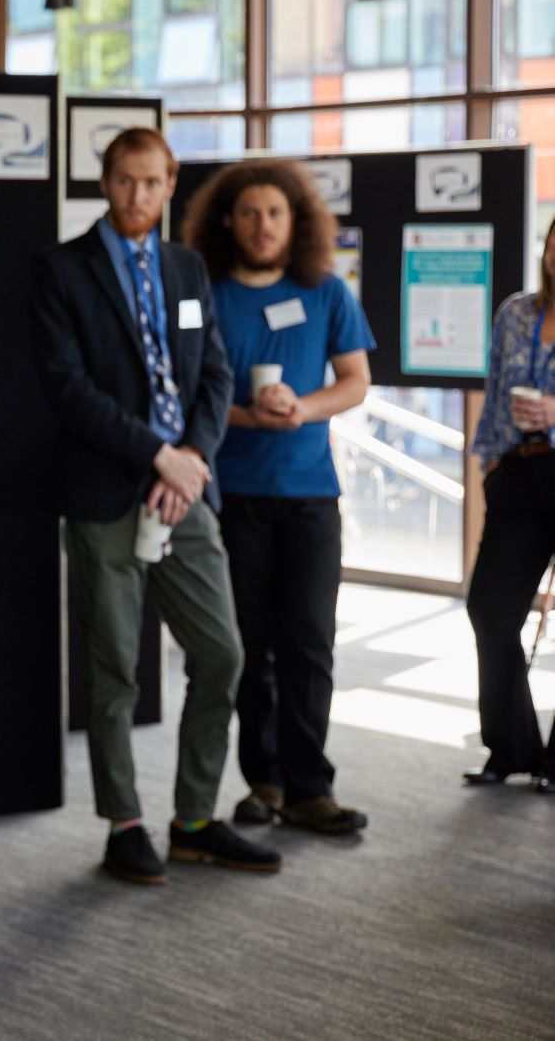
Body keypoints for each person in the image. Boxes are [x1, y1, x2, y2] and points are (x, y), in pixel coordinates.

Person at [32, 127, 280, 885]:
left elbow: (212, 373)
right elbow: (67, 388)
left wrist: (191, 458)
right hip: (108, 494)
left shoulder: (185, 267)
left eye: (151, 182)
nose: (138, 197)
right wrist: (155, 453)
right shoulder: (61, 270)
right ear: (103, 183)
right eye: (124, 182)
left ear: (171, 184)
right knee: (115, 670)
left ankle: (196, 819)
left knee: (222, 654)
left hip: (184, 495)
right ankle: (125, 823)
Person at [180, 160, 375, 835]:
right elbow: (188, 396)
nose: (262, 226)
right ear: (226, 222)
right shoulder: (203, 293)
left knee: (309, 643)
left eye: (275, 213)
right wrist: (244, 414)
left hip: (310, 496)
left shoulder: (323, 290)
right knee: (247, 645)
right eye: (248, 213)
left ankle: (308, 786)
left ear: (295, 221)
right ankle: (260, 780)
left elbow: (354, 381)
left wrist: (301, 408)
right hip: (233, 495)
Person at [463, 213, 555, 794]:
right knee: (490, 611)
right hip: (518, 473)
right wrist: (488, 463)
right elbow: (496, 388)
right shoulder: (517, 311)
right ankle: (511, 747)